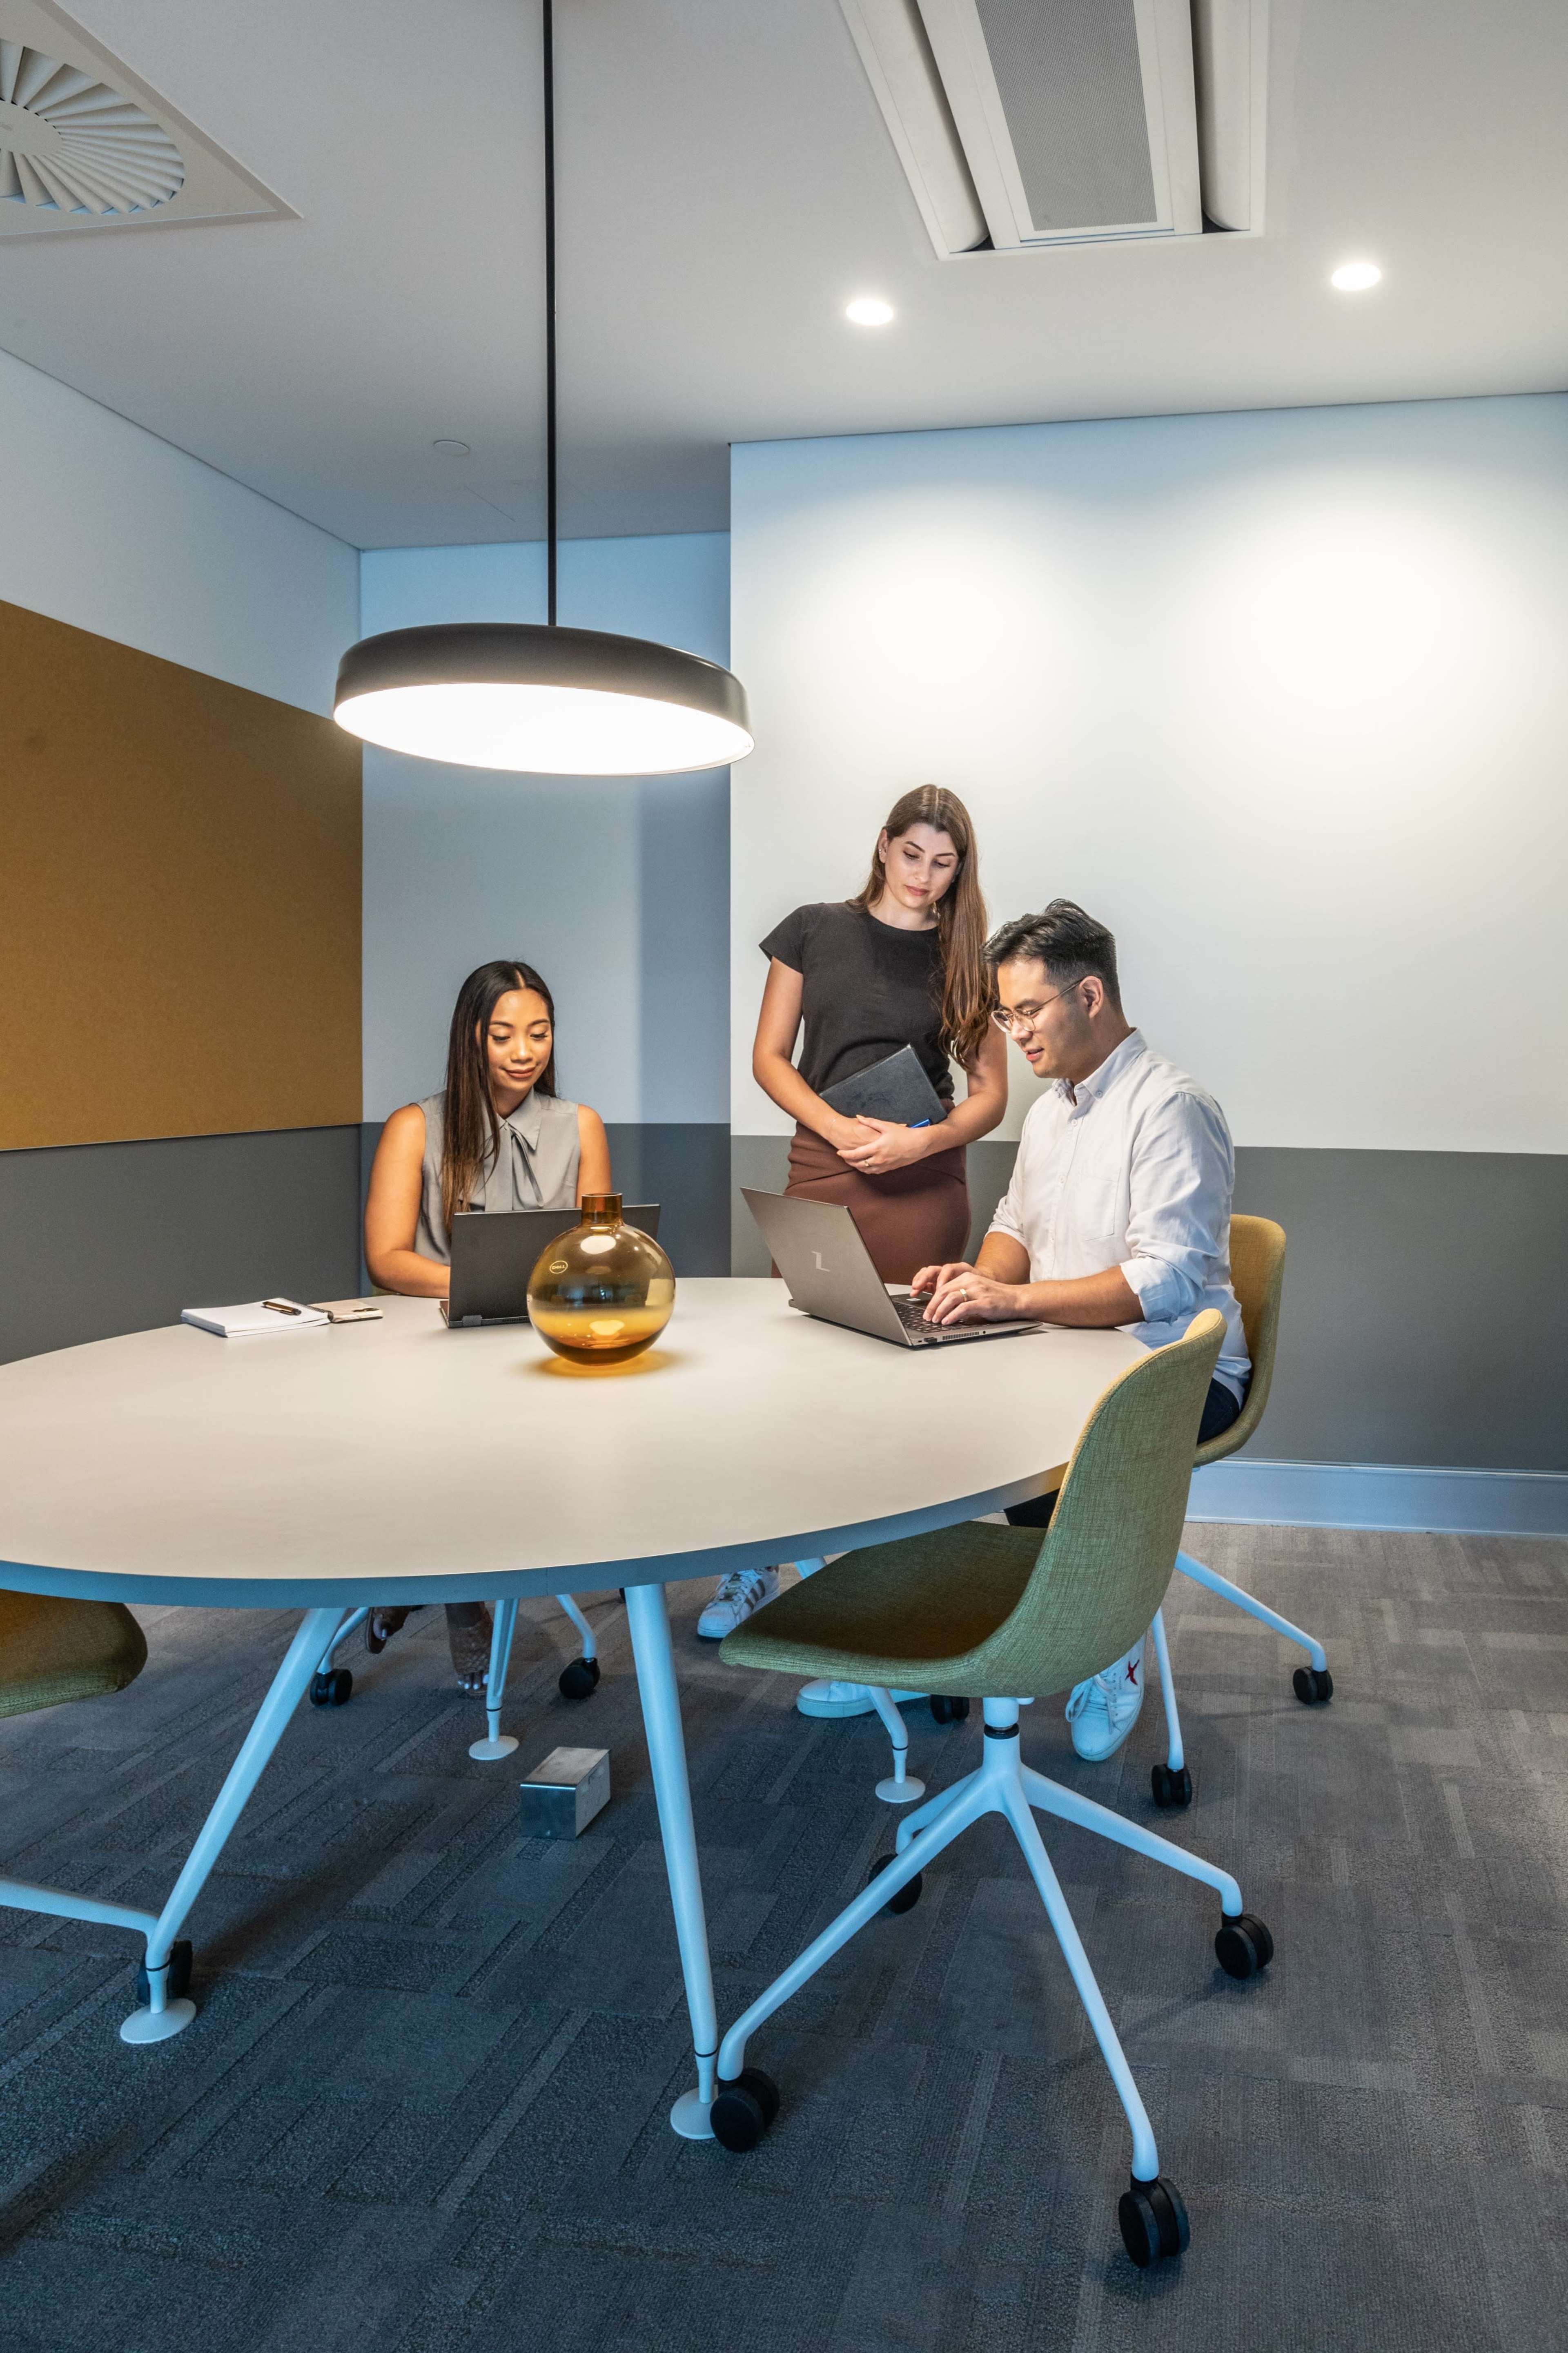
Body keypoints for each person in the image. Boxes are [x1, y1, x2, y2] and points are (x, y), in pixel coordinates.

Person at [912, 899, 1250, 1763]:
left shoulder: (1171, 1108)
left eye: (1027, 1010)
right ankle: (944, 1632)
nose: (1014, 1033)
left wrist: (1014, 1304)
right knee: (923, 1397)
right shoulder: (1052, 1111)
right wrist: (984, 1279)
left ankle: (1109, 1638)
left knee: (1056, 1427)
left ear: (1089, 994)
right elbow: (1016, 1223)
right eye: (1005, 1013)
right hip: (1066, 1354)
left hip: (1170, 1370)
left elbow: (1163, 1282)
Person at [697, 785, 1009, 1697]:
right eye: (911, 854)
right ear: (882, 848)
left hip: (921, 1175)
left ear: (961, 869)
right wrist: (836, 1129)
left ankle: (896, 1588)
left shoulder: (966, 956)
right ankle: (761, 1563)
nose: (924, 877)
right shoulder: (812, 929)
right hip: (828, 1161)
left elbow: (988, 1092)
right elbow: (768, 1057)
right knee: (799, 1379)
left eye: (943, 863)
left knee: (907, 1395)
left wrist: (923, 1140)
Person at [363, 958, 612, 1690]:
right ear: (472, 1038)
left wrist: (529, 1295)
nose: (524, 1051)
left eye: (538, 1033)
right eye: (504, 1034)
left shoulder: (580, 1125)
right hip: (435, 1340)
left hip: (544, 1335)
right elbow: (386, 1259)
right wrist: (483, 1286)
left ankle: (428, 1575)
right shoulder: (416, 1126)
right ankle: (458, 1595)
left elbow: (596, 1249)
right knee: (449, 1453)